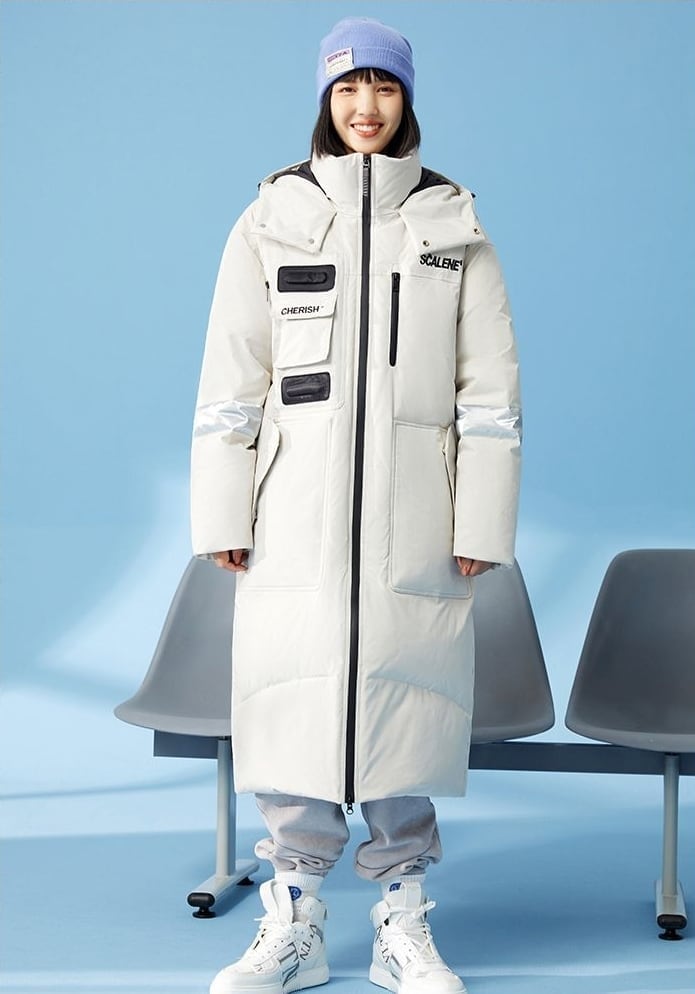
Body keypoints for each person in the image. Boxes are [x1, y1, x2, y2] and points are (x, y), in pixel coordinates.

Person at [190, 16, 521, 994]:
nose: (364, 106)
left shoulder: (451, 224)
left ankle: (400, 923)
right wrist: (223, 513)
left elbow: (490, 395)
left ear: (405, 98)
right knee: (294, 705)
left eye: (382, 86)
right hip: (291, 513)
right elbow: (230, 381)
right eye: (346, 88)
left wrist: (478, 519)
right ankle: (292, 921)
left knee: (401, 708)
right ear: (324, 100)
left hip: (415, 514)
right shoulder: (271, 217)